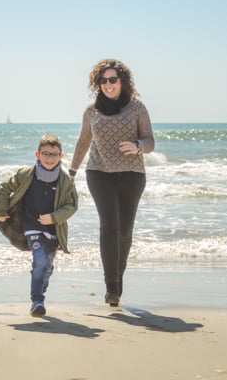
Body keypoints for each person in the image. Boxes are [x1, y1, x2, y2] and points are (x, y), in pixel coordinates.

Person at [70, 58, 154, 308]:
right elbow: (83, 141)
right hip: (99, 172)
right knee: (109, 225)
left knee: (125, 231)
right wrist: (72, 172)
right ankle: (111, 288)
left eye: (112, 80)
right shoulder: (91, 111)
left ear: (122, 82)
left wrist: (138, 146)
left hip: (132, 174)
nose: (108, 85)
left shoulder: (137, 108)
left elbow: (150, 141)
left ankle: (118, 278)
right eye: (103, 81)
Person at [0, 134, 78, 317]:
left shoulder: (65, 181)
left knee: (47, 266)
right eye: (45, 154)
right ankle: (37, 300)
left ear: (61, 156)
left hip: (53, 229)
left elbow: (72, 206)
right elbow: (4, 188)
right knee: (39, 261)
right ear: (37, 155)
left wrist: (54, 218)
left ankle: (41, 291)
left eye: (54, 154)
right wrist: (0, 210)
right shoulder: (26, 174)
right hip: (30, 226)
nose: (49, 158)